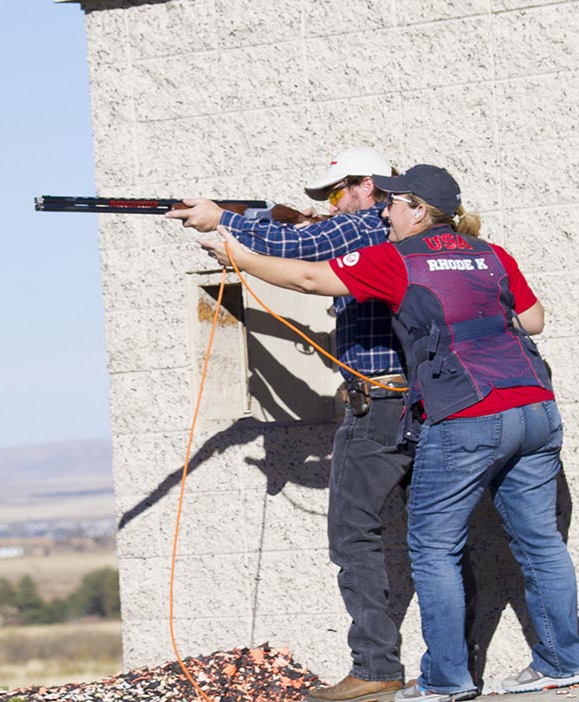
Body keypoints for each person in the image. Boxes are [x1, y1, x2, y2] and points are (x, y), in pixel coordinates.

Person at [197, 164, 579, 702]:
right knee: (541, 541)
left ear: (417, 209)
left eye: (393, 204)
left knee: (432, 548)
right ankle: (564, 663)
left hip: (467, 413)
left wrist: (239, 258)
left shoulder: (399, 259)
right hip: (535, 407)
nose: (384, 211)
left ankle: (447, 680)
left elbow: (312, 279)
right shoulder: (493, 255)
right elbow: (534, 319)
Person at [169, 147, 413, 702]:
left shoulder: (361, 225)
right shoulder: (401, 230)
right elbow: (300, 233)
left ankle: (376, 667)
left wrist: (222, 220)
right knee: (435, 537)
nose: (332, 207)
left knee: (353, 535)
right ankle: (449, 667)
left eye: (336, 193)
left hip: (377, 403)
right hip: (422, 398)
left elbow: (297, 251)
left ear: (364, 187)